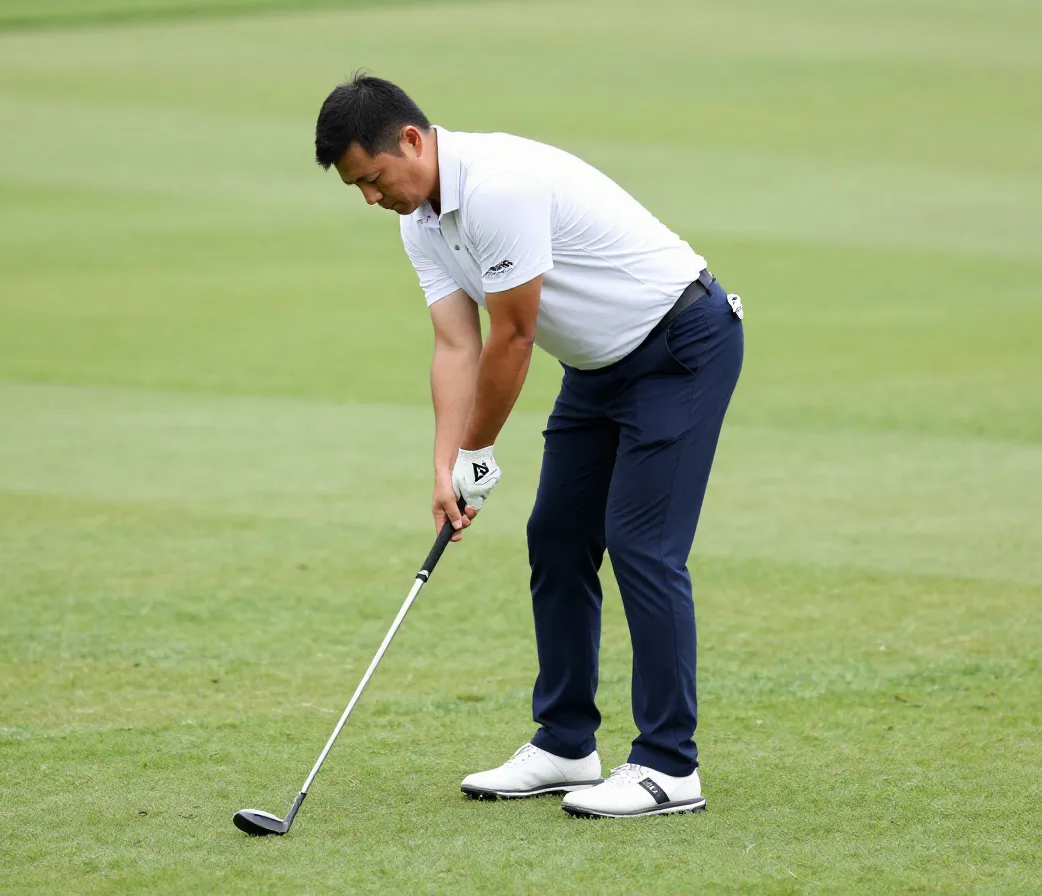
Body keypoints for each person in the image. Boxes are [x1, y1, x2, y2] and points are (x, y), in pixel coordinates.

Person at [313, 73, 744, 820]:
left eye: (375, 179)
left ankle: (670, 765)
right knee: (557, 536)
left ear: (410, 141)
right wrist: (449, 464)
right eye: (359, 188)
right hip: (598, 365)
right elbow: (457, 345)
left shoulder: (498, 189)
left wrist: (479, 451)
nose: (373, 199)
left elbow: (511, 337)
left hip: (680, 344)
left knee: (641, 545)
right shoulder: (420, 222)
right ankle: (567, 743)